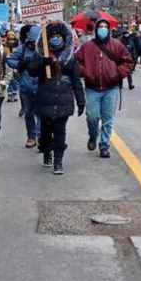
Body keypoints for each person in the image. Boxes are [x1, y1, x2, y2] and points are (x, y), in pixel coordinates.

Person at [27, 22, 85, 175]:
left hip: (63, 100)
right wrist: (41, 62)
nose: (55, 39)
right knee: (45, 131)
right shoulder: (41, 54)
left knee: (60, 131)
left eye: (58, 36)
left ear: (64, 38)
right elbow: (31, 71)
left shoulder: (70, 58)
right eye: (52, 36)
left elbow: (76, 80)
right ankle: (47, 152)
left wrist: (81, 100)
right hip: (45, 99)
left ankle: (58, 161)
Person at [75, 19, 134, 158]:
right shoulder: (87, 47)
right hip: (92, 88)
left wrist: (117, 73)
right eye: (100, 27)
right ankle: (92, 136)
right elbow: (76, 62)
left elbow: (128, 62)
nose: (102, 29)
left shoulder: (117, 45)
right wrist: (86, 72)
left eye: (105, 27)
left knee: (107, 119)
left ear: (109, 29)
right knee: (92, 117)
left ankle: (104, 145)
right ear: (96, 30)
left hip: (111, 88)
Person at [6, 24, 41, 148]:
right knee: (29, 113)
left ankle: (40, 135)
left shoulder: (45, 49)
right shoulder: (23, 49)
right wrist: (20, 64)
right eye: (31, 41)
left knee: (41, 113)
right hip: (25, 87)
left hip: (41, 87)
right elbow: (10, 59)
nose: (33, 44)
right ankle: (31, 137)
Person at [4, 31, 20, 102]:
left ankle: (15, 93)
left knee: (15, 79)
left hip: (16, 64)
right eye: (9, 35)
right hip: (7, 64)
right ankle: (9, 94)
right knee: (9, 79)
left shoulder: (18, 45)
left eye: (12, 35)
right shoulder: (5, 44)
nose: (11, 37)